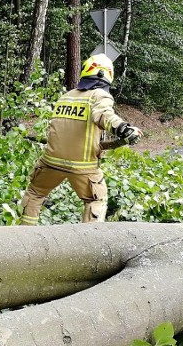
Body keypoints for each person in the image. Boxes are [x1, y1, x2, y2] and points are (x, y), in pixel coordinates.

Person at [18, 54, 143, 225]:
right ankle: (89, 241)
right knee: (95, 200)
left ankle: (24, 235)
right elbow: (103, 115)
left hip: (50, 162)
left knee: (34, 193)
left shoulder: (66, 96)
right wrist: (124, 129)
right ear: (107, 75)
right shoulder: (99, 95)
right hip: (83, 166)